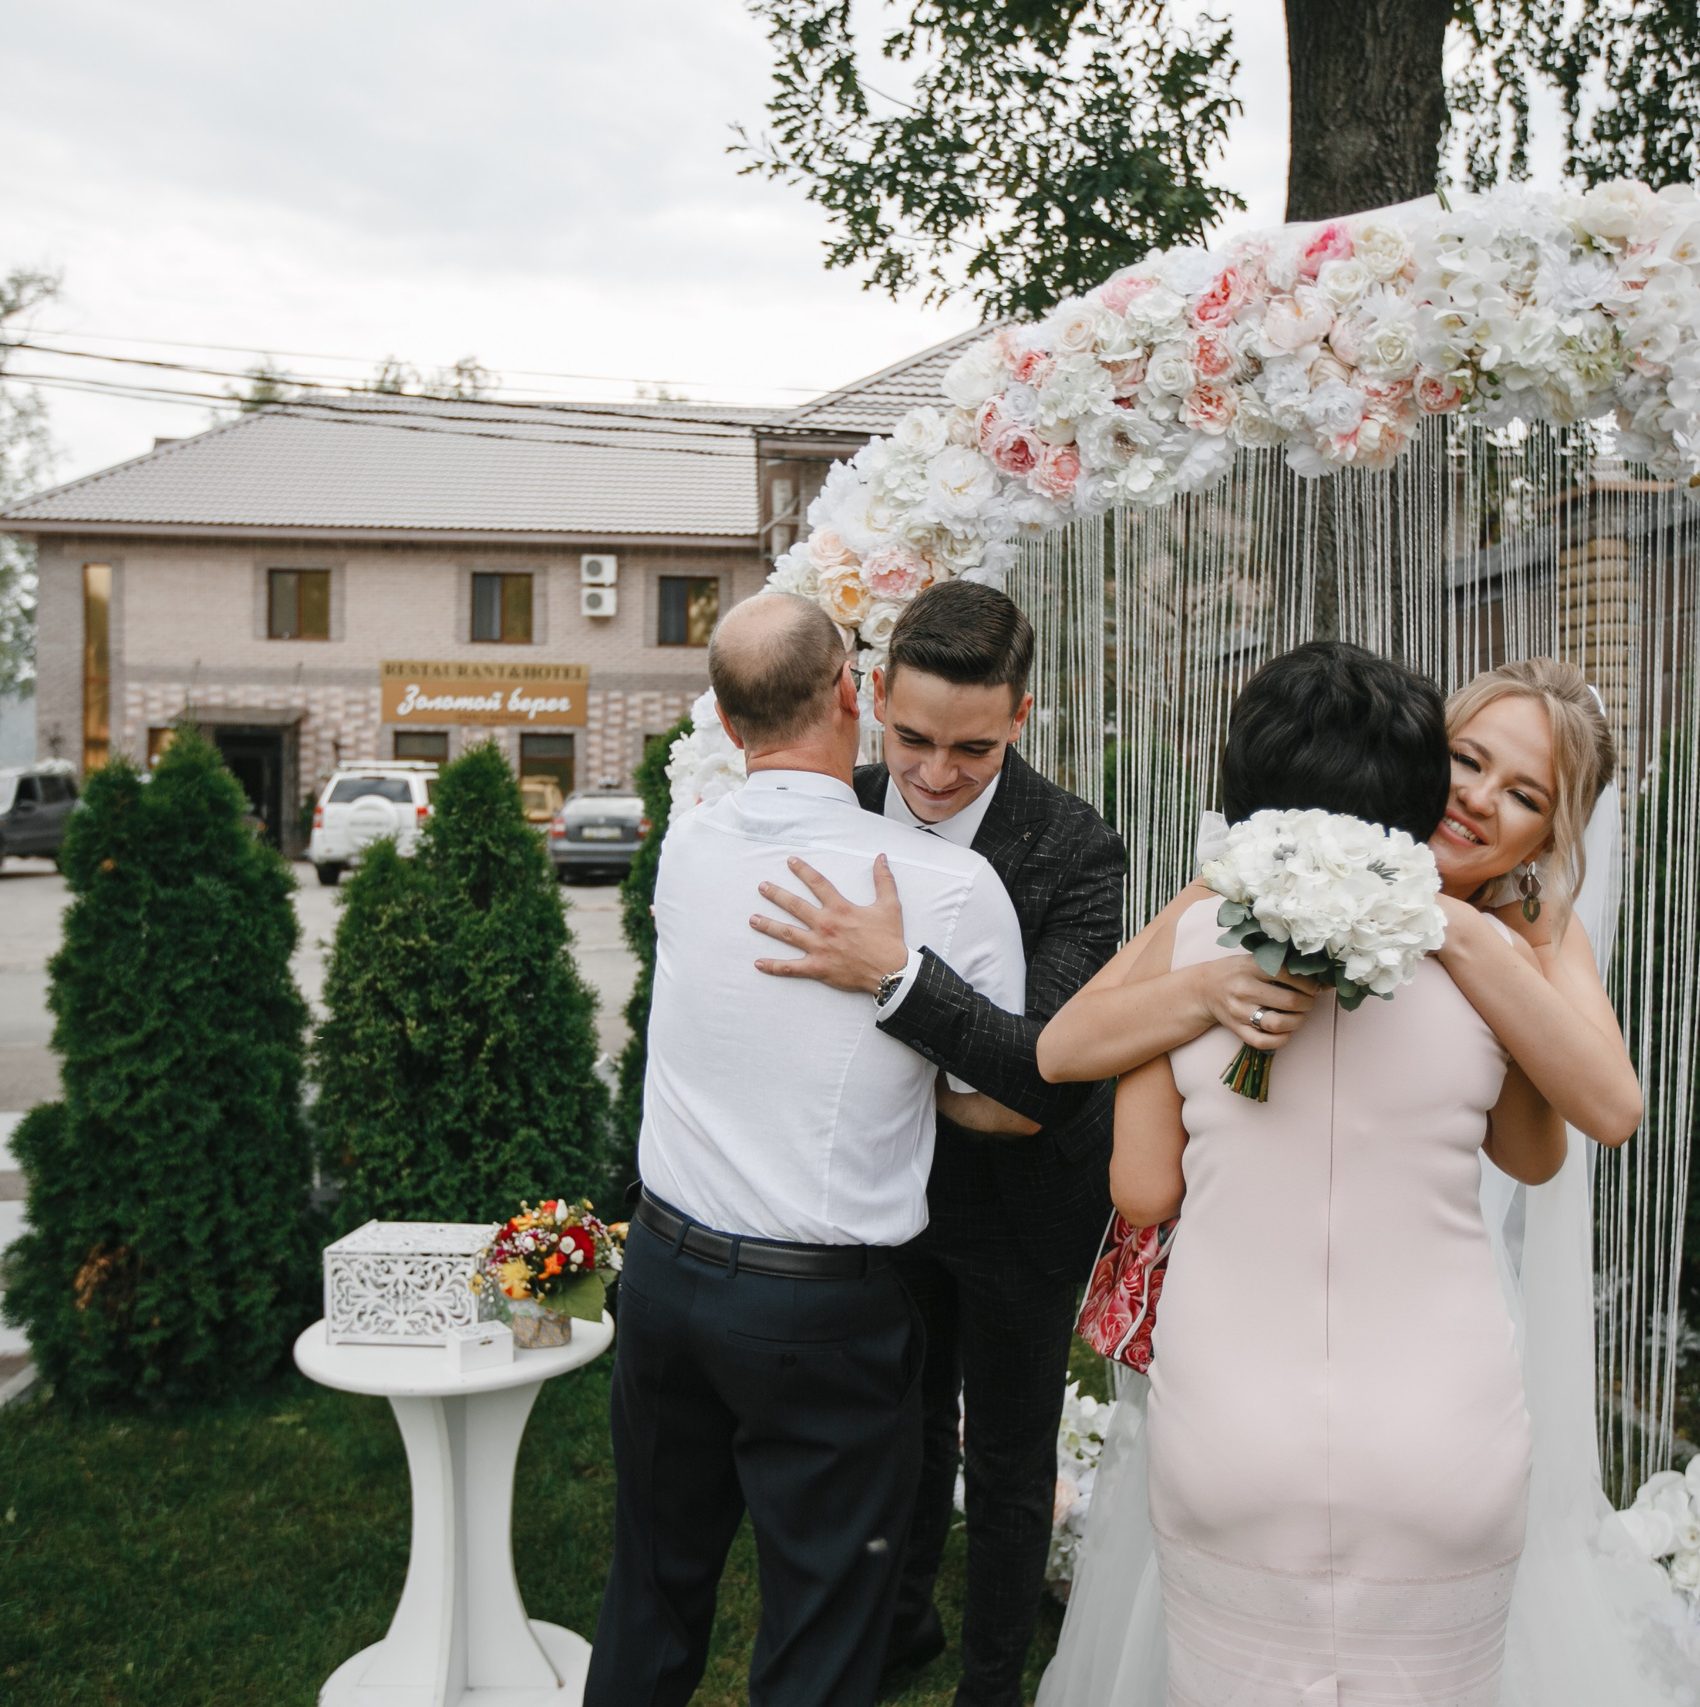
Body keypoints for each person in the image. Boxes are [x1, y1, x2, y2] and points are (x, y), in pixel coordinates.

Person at [1033, 645, 1646, 1707]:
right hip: (1425, 1420)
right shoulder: (1236, 912)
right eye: (1467, 761)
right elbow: (1067, 1041)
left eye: (1524, 795)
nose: (1478, 800)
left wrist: (1461, 934)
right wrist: (1209, 987)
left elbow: (1563, 1136)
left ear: (1553, 836)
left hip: (1267, 1413)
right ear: (1421, 757)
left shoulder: (1525, 939)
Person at [587, 592, 1028, 1707]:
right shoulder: (949, 886)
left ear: (729, 721)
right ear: (850, 692)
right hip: (821, 1314)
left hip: (664, 1277)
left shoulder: (687, 843)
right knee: (822, 1634)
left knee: (648, 1597)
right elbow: (1005, 1106)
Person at [745, 580, 1127, 1703]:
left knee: (1007, 1454)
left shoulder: (1077, 848)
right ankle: (899, 1626)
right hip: (881, 1194)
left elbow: (1040, 1070)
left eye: (972, 747)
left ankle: (991, 1682)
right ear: (872, 697)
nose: (935, 773)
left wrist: (893, 981)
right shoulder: (838, 807)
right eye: (912, 738)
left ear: (1022, 715)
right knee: (896, 1431)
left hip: (1025, 1204)